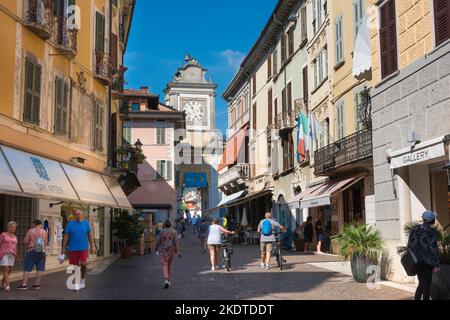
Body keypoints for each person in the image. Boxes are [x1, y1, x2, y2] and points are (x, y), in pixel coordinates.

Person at [408, 211, 440, 301]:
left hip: (417, 261)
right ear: (431, 220)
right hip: (427, 263)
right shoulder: (431, 232)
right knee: (426, 286)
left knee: (421, 284)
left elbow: (410, 245)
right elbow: (434, 249)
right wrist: (436, 264)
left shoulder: (415, 229)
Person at [61, 210, 96, 291]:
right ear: (74, 215)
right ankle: (77, 283)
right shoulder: (70, 224)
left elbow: (89, 235)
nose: (78, 215)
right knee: (75, 266)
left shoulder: (86, 223)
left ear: (82, 215)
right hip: (73, 248)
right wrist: (63, 247)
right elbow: (66, 236)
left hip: (83, 247)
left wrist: (92, 246)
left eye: (79, 214)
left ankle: (82, 280)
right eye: (76, 214)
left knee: (83, 264)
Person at [17, 220, 48, 290]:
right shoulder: (44, 231)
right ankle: (36, 285)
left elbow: (25, 241)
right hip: (42, 251)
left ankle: (24, 285)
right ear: (40, 224)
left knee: (27, 268)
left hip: (32, 250)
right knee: (40, 268)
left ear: (34, 224)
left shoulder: (30, 231)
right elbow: (46, 243)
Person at [156, 220, 181, 289]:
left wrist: (156, 248)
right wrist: (178, 251)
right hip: (172, 250)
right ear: (170, 225)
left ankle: (166, 279)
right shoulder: (174, 231)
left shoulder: (162, 231)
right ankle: (168, 280)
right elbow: (176, 242)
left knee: (164, 264)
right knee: (169, 265)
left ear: (164, 225)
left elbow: (158, 241)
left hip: (164, 250)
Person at [0, 222, 18, 292]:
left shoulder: (15, 236)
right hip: (4, 253)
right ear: (8, 227)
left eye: (15, 227)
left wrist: (17, 256)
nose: (14, 228)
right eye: (12, 227)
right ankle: (7, 285)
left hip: (12, 254)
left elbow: (15, 247)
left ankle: (2, 283)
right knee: (6, 268)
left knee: (10, 269)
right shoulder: (3, 234)